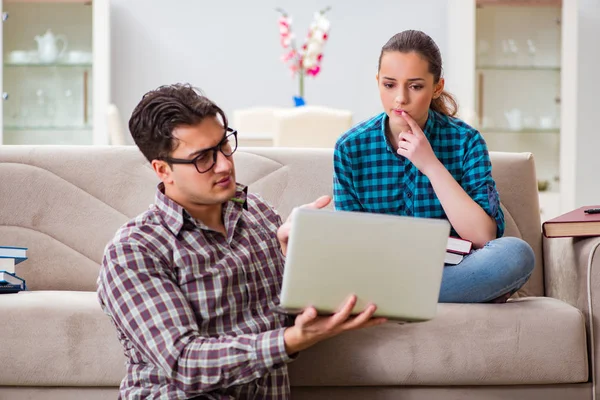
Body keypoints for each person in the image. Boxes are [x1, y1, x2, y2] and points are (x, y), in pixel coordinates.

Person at [96, 83, 387, 400]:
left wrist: (302, 262)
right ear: (163, 169)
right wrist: (290, 340)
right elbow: (184, 361)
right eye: (203, 158)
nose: (223, 164)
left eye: (223, 145)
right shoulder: (135, 250)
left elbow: (283, 319)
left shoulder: (259, 214)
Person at [333, 30, 535, 303]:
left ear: (437, 87)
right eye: (389, 84)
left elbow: (483, 236)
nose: (400, 99)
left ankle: (400, 299)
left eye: (415, 86)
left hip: (451, 270)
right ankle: (452, 295)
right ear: (378, 82)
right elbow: (350, 244)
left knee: (515, 254)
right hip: (381, 273)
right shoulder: (350, 148)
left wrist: (430, 165)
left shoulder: (466, 141)